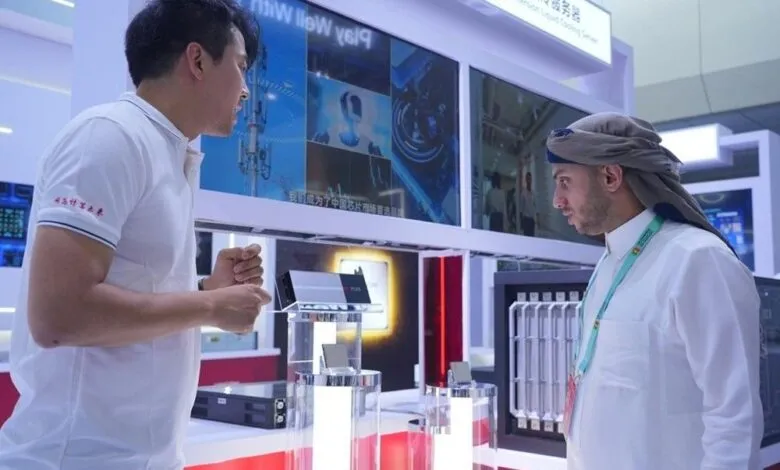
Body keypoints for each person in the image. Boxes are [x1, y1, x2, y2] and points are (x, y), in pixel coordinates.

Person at [0, 1, 270, 469]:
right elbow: (58, 316)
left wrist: (206, 289)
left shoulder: (168, 154)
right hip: (74, 458)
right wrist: (209, 307)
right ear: (198, 60)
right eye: (241, 68)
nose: (246, 91)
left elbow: (135, 295)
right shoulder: (108, 136)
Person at [547, 112, 763, 470]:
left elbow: (733, 418)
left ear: (610, 176)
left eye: (565, 181)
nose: (557, 200)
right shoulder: (606, 266)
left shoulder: (698, 260)